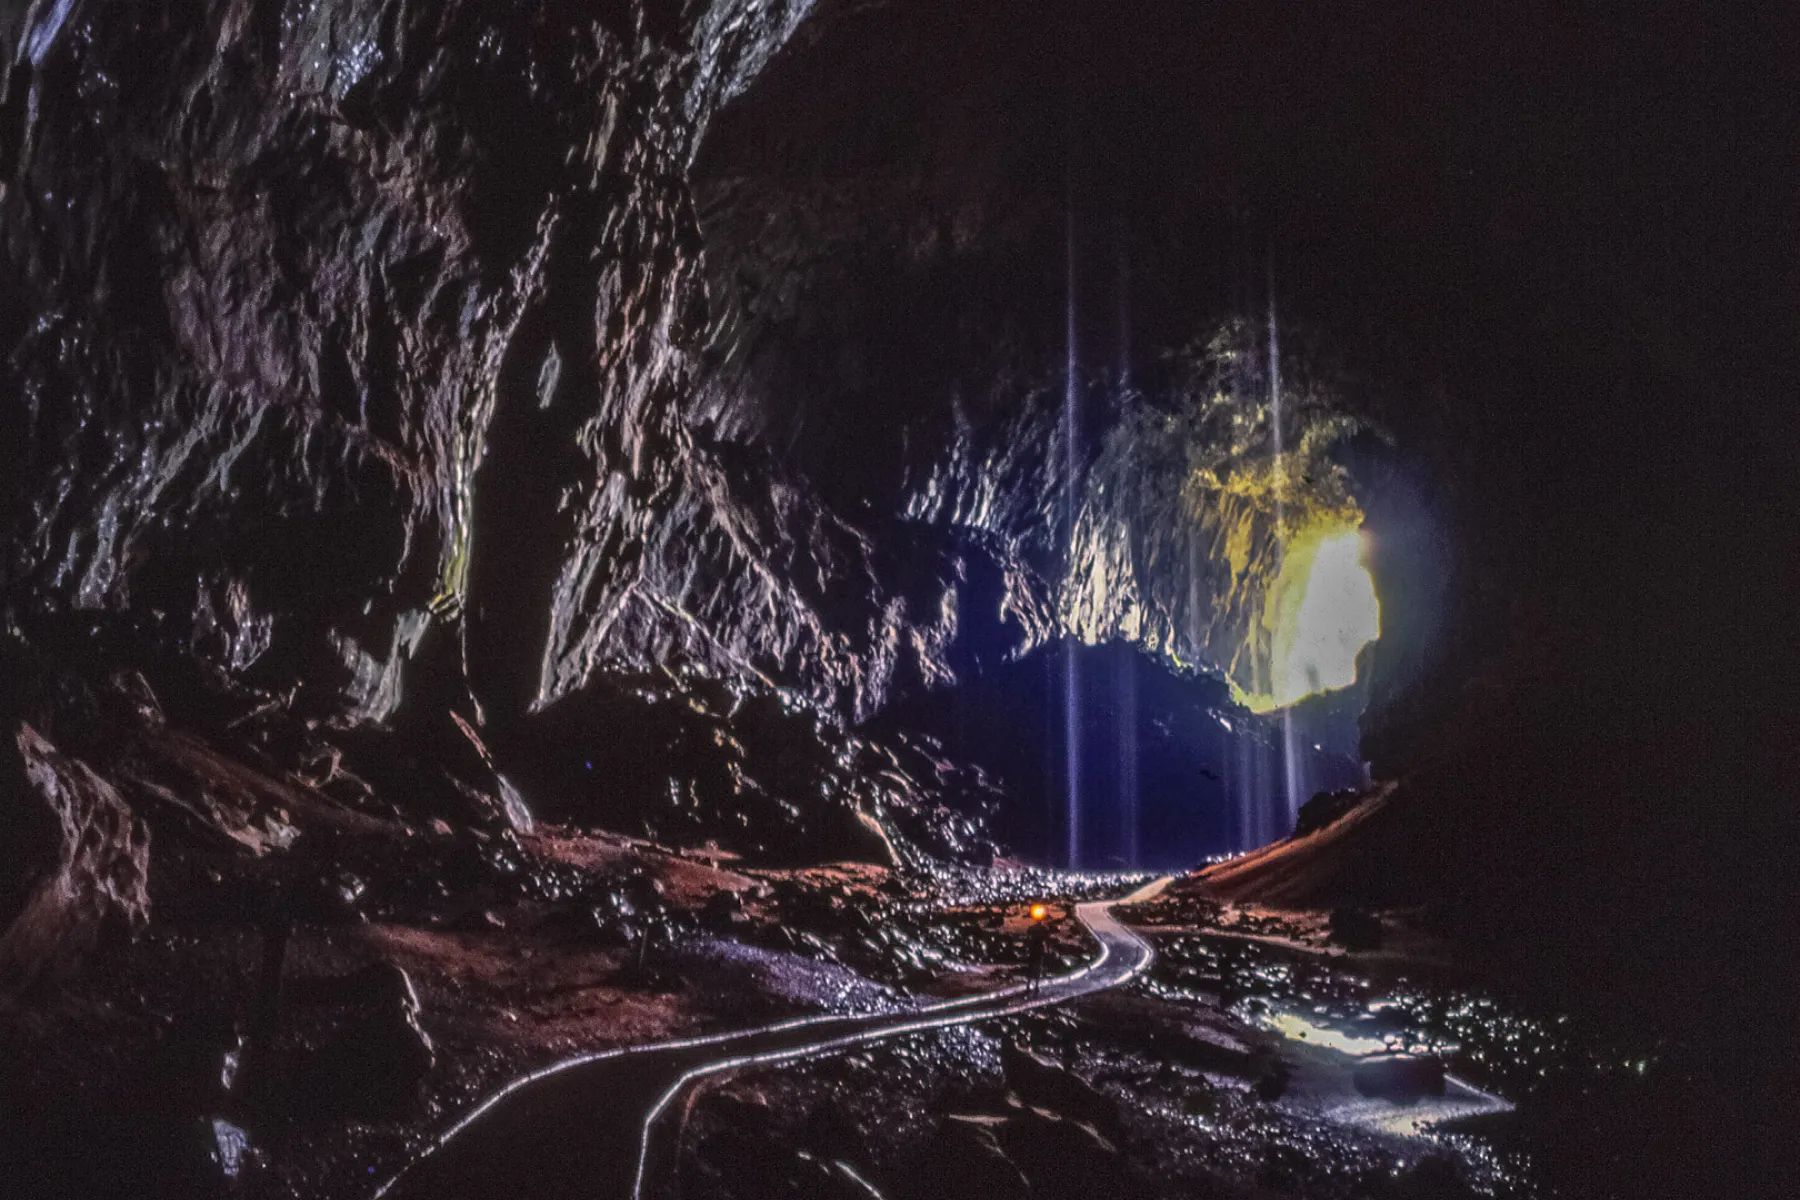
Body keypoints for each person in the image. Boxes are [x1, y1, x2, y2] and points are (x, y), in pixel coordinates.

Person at [1024, 904, 1051, 995]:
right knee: (1037, 968)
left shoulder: (1031, 929)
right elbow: (1045, 941)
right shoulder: (1044, 929)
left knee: (1031, 968)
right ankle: (1036, 986)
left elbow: (1027, 939)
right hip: (1038, 950)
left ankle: (1028, 986)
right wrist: (1046, 950)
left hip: (1033, 950)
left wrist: (1027, 948)